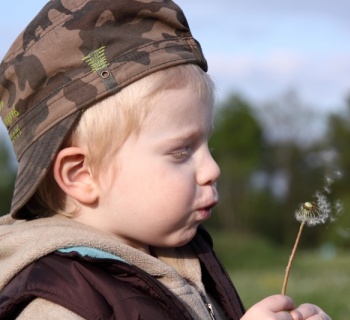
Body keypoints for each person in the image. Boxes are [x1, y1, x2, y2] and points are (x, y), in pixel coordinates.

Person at [0, 1, 331, 319]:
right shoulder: (61, 303)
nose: (213, 169)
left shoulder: (184, 261)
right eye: (181, 151)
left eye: (207, 144)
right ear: (82, 174)